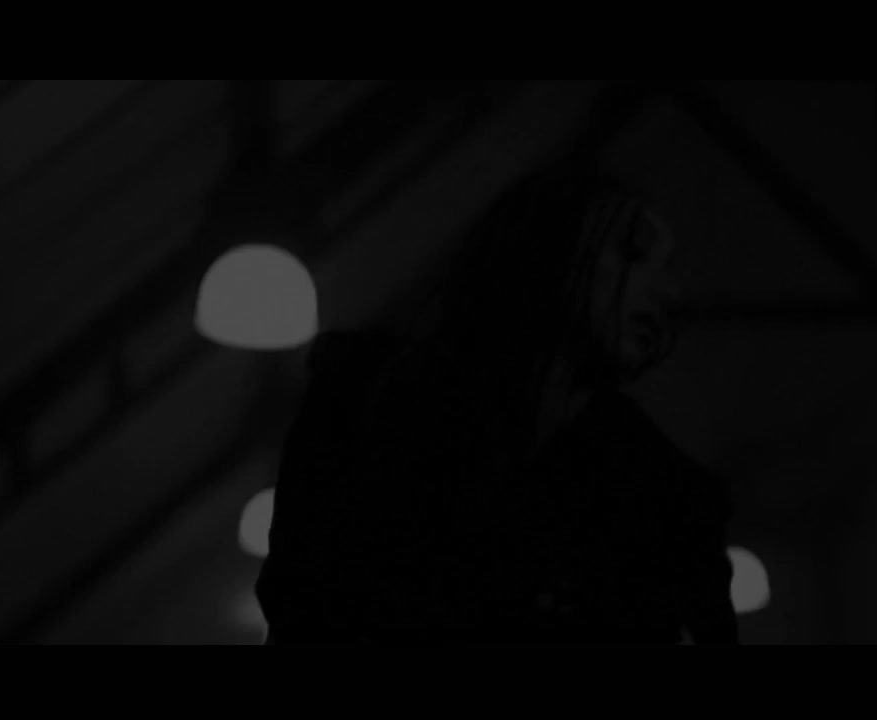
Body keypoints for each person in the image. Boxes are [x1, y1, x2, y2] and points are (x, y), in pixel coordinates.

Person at [255, 165, 738, 644]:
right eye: (633, 254)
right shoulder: (363, 401)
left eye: (669, 267)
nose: (669, 292)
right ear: (548, 252)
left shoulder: (664, 494)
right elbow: (299, 605)